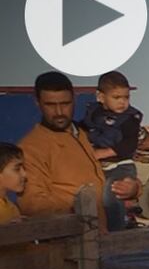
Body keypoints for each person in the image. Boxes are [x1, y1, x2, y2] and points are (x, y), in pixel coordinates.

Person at [17, 73, 110, 230]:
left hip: (99, 238)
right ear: (37, 103)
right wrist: (80, 206)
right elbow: (32, 204)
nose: (59, 111)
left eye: (65, 103)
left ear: (74, 99)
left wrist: (129, 190)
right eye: (50, 105)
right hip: (68, 245)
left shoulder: (82, 134)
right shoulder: (31, 147)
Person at [81, 71, 144, 231]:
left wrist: (101, 153)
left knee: (111, 193)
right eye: (117, 98)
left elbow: (129, 146)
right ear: (101, 97)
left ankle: (116, 233)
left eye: (126, 97)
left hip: (121, 166)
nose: (123, 102)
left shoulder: (130, 118)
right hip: (99, 168)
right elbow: (82, 129)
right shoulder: (94, 114)